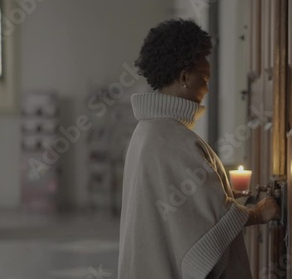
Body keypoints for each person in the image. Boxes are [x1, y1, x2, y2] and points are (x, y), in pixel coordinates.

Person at [117, 19, 281, 279]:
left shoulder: (147, 131)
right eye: (204, 78)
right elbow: (208, 225)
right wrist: (258, 213)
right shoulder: (174, 138)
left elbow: (185, 214)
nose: (206, 88)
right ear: (184, 77)